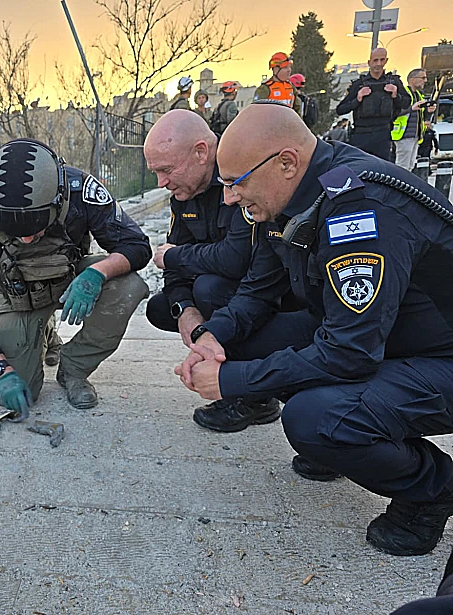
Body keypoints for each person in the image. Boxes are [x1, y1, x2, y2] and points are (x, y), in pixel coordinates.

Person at [179, 103, 453, 557]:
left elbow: (349, 354)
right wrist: (213, 336)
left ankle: (431, 489)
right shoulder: (296, 195)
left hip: (440, 358)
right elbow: (257, 290)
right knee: (241, 342)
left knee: (314, 418)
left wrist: (230, 382)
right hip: (390, 338)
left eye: (235, 182)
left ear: (285, 163)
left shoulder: (358, 209)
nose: (227, 198)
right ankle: (355, 443)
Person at [0, 138, 151, 413]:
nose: (28, 240)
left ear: (58, 198)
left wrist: (96, 274)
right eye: (18, 233)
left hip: (71, 281)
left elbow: (137, 246)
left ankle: (74, 369)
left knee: (128, 287)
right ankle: (44, 333)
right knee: (22, 394)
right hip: (16, 298)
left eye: (37, 228)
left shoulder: (78, 191)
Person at [143, 109, 280, 432]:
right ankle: (224, 362)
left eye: (166, 170)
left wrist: (177, 257)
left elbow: (235, 257)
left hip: (266, 294)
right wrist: (184, 312)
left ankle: (253, 395)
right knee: (162, 307)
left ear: (201, 153)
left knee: (208, 288)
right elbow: (172, 268)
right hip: (229, 292)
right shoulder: (184, 193)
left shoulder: (237, 178)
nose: (161, 183)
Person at [336, 47, 411, 161]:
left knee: (383, 172)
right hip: (361, 135)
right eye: (375, 60)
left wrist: (395, 95)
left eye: (382, 60)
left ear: (386, 61)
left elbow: (406, 103)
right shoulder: (359, 84)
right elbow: (340, 109)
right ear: (369, 62)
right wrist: (358, 99)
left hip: (383, 135)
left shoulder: (393, 82)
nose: (378, 64)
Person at [392, 68, 437, 171]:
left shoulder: (419, 95)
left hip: (415, 136)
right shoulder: (403, 94)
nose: (425, 80)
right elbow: (394, 112)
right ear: (412, 79)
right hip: (403, 135)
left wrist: (429, 111)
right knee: (402, 166)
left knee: (410, 166)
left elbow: (420, 115)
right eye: (423, 77)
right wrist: (411, 108)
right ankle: (400, 186)